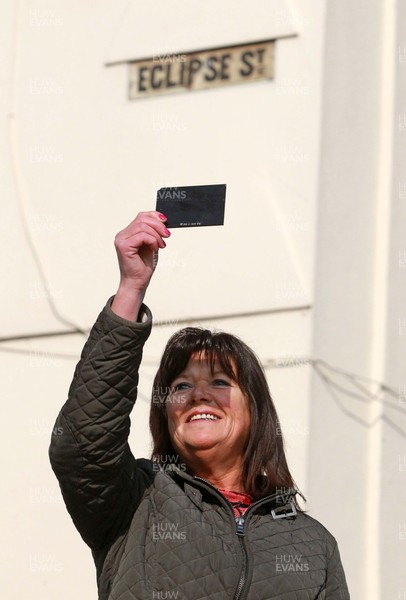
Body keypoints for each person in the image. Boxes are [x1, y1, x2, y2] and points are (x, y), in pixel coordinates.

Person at [49, 211, 350, 599]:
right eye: (182, 385)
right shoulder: (137, 500)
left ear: (255, 411)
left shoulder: (313, 544)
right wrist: (130, 289)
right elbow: (84, 441)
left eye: (220, 382)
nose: (198, 395)